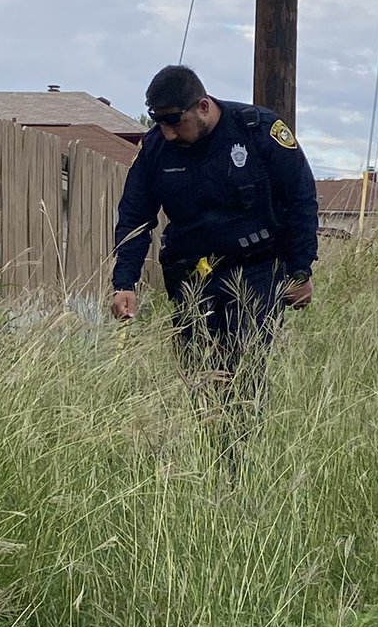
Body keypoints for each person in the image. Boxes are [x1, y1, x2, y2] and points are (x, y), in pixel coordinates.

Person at [110, 65, 318, 387]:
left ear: (203, 107)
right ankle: (203, 436)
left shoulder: (257, 130)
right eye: (159, 122)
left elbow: (300, 199)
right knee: (199, 379)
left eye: (175, 121)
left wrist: (300, 270)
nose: (168, 133)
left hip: (254, 272)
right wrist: (124, 282)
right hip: (191, 276)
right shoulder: (155, 149)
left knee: (244, 375)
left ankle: (243, 436)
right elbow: (135, 218)